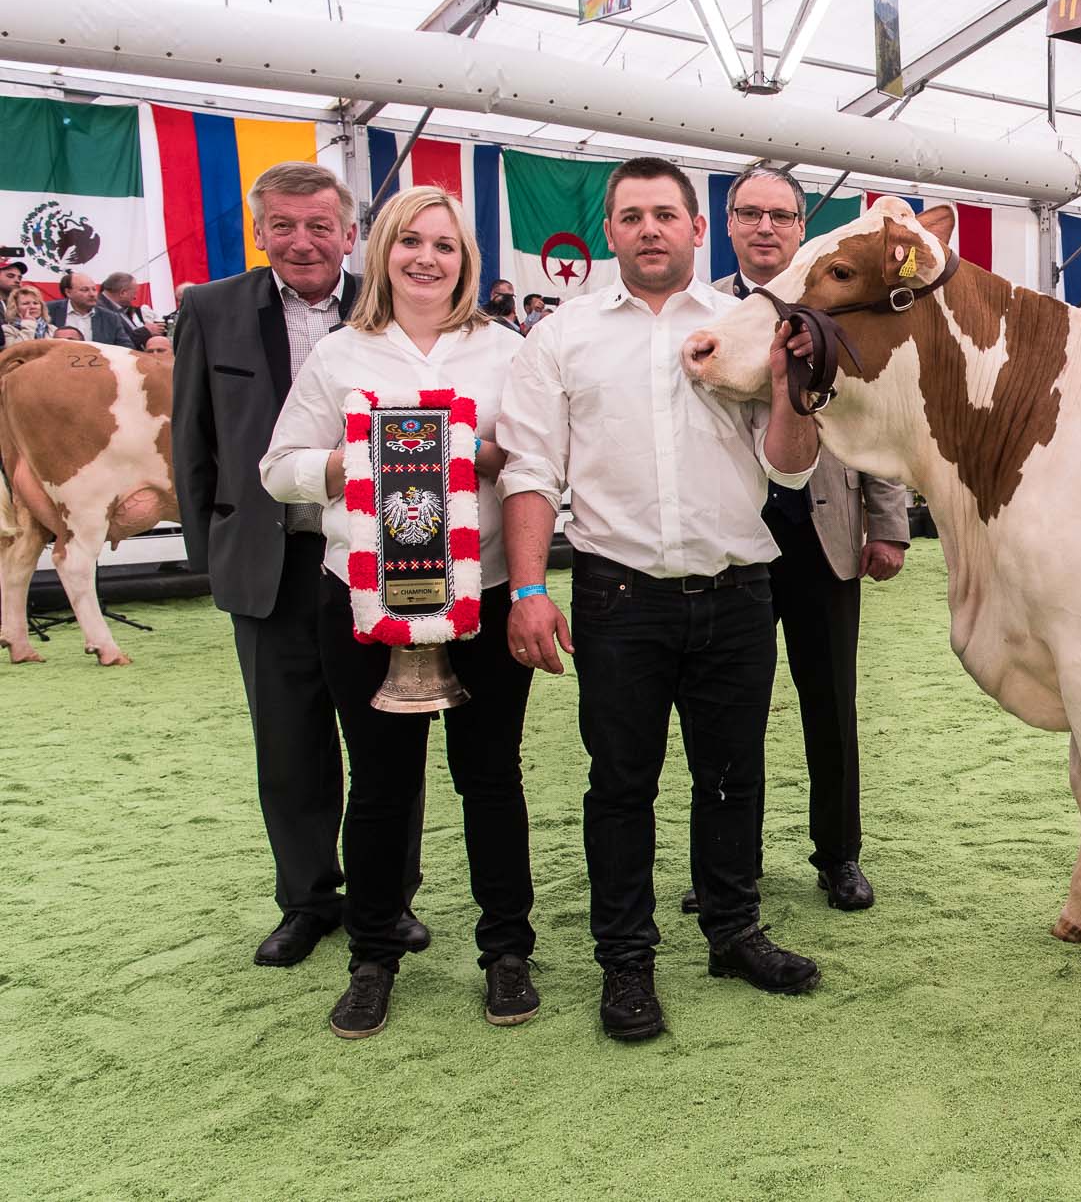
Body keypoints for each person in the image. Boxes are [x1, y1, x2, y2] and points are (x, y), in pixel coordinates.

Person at [497, 157, 824, 1043]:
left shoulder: (743, 326)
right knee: (620, 785)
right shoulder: (561, 336)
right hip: (617, 596)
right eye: (632, 215)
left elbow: (788, 465)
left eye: (665, 214)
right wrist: (528, 587)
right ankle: (627, 962)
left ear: (694, 228)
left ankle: (732, 931)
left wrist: (794, 382)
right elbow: (529, 469)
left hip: (738, 590)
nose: (649, 229)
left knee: (732, 776)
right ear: (610, 231)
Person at [259, 186, 538, 1039]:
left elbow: (533, 459)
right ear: (381, 250)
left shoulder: (505, 351)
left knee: (491, 777)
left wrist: (481, 456)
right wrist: (344, 463)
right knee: (380, 785)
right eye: (410, 240)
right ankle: (373, 954)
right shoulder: (341, 352)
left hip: (480, 592)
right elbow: (278, 467)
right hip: (363, 595)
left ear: (467, 260)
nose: (426, 257)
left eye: (445, 245)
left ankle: (507, 950)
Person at [173, 161, 428, 969]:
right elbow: (193, 442)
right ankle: (308, 900)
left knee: (390, 737)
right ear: (259, 232)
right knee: (288, 746)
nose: (302, 241)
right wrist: (209, 556)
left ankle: (388, 899)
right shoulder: (208, 309)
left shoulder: (391, 302)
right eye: (283, 225)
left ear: (350, 234)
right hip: (271, 562)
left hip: (379, 559)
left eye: (320, 225)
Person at [707, 162, 908, 913]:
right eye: (750, 213)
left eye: (780, 216)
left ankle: (839, 855)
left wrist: (888, 526)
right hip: (730, 537)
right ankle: (733, 863)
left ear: (800, 228)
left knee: (831, 704)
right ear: (727, 225)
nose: (765, 227)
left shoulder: (844, 305)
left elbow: (877, 418)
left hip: (825, 535)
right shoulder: (704, 315)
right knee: (733, 711)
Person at [99, 272, 164, 343]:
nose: (135, 297)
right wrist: (145, 331)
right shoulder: (100, 310)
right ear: (123, 293)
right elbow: (113, 342)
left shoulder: (119, 308)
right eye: (134, 293)